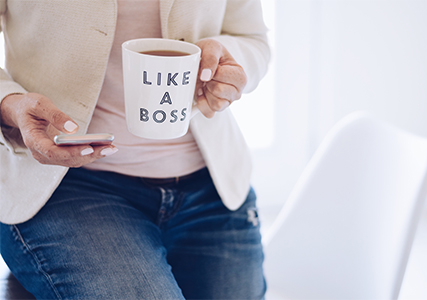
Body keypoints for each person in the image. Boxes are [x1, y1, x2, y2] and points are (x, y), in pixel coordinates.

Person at [0, 0, 270, 299]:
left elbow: (252, 39)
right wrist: (9, 101)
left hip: (212, 187)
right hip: (63, 186)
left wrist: (226, 62)